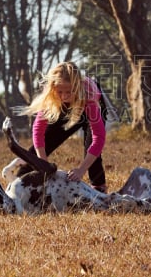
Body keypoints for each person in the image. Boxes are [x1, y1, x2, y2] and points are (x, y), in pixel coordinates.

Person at [17, 61, 110, 192]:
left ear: (76, 87)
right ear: (53, 88)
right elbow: (38, 132)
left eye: (69, 91)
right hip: (66, 106)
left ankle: (99, 188)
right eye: (60, 91)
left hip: (86, 102)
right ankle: (20, 178)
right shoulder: (52, 94)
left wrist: (80, 170)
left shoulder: (89, 96)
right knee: (48, 139)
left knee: (91, 148)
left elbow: (98, 138)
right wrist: (44, 166)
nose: (65, 95)